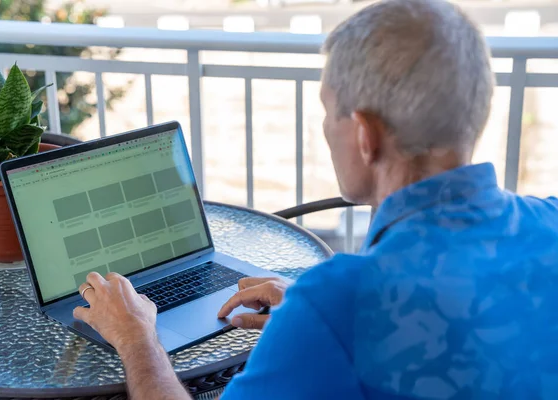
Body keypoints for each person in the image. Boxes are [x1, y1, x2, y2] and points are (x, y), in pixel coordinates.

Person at [72, 0, 558, 398]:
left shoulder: (341, 302)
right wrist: (309, 317)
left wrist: (137, 338)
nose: (325, 128)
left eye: (328, 111)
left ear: (365, 135)